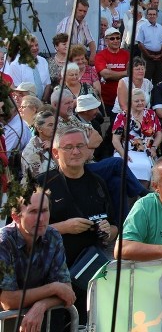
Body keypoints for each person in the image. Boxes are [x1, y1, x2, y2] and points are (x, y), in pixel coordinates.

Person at [39, 125, 118, 324]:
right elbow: (23, 231)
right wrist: (64, 227)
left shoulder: (98, 182)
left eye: (80, 146)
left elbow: (115, 226)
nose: (76, 151)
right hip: (51, 277)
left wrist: (109, 232)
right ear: (55, 153)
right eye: (69, 147)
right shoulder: (42, 184)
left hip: (90, 275)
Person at [0, 189, 76, 332]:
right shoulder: (3, 243)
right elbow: (8, 301)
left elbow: (67, 291)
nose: (41, 219)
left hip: (41, 323)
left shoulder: (53, 236)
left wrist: (41, 305)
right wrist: (53, 288)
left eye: (44, 211)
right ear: (16, 217)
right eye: (33, 212)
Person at [112, 88, 162, 186]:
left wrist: (154, 147)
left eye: (142, 100)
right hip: (126, 151)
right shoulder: (122, 116)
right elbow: (115, 139)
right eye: (136, 101)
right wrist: (123, 153)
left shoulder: (151, 114)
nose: (140, 103)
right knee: (124, 167)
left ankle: (143, 195)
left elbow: (159, 134)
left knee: (146, 167)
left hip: (147, 152)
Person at [21, 109, 56, 182]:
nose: (54, 127)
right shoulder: (32, 151)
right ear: (39, 129)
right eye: (50, 125)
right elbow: (38, 180)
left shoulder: (56, 142)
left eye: (55, 124)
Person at [137, 5, 162, 80]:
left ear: (157, 15)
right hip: (147, 57)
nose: (152, 16)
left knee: (158, 79)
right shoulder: (142, 27)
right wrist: (149, 55)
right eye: (150, 14)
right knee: (146, 79)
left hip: (159, 57)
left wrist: (160, 54)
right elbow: (140, 44)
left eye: (154, 14)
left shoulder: (160, 27)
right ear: (147, 15)